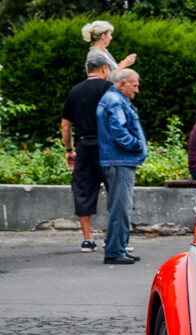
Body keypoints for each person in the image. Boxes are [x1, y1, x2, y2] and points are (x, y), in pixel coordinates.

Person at [61, 52, 112, 253]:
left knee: (82, 191)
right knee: (113, 190)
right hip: (106, 147)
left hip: (83, 147)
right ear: (104, 69)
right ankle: (111, 237)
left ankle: (88, 239)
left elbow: (66, 126)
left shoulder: (75, 91)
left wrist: (69, 150)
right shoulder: (109, 89)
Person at [96, 68, 146, 265]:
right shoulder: (116, 101)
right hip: (121, 160)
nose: (137, 90)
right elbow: (119, 130)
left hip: (116, 160)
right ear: (122, 83)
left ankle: (119, 247)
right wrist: (136, 145)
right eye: (134, 85)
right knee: (121, 208)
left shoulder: (110, 99)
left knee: (120, 206)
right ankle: (115, 251)